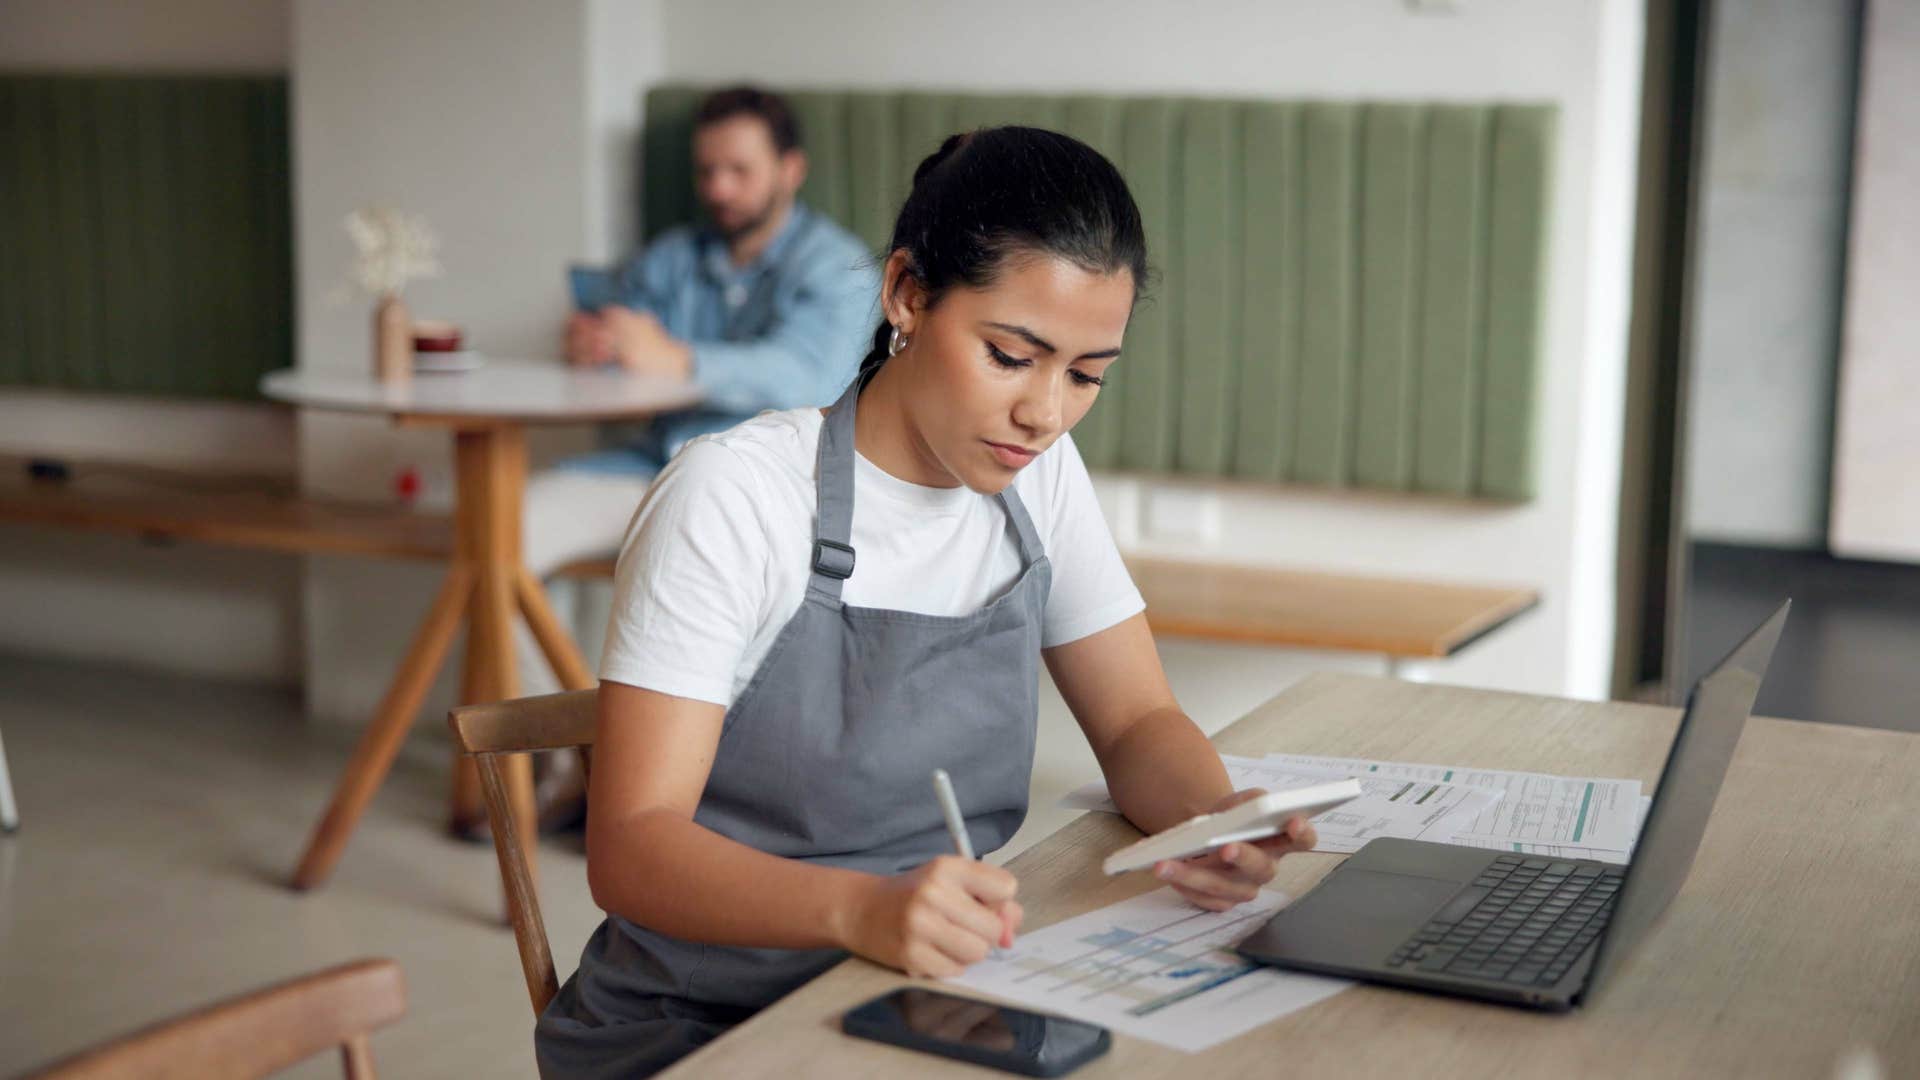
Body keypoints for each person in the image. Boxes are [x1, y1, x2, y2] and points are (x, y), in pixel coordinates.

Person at [534, 127, 1319, 1078]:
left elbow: (1139, 720)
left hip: (930, 994)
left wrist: (1210, 818)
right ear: (907, 292)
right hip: (703, 1024)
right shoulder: (735, 496)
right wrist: (862, 909)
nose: (1046, 413)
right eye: (1009, 355)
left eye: (1085, 376)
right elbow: (629, 848)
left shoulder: (1043, 474)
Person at [516, 85, 876, 745]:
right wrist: (593, 343)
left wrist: (675, 358)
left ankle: (655, 772)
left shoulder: (840, 266)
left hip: (769, 492)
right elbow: (613, 326)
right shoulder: (672, 256)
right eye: (707, 170)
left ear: (790, 170)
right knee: (500, 535)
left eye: (740, 170)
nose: (719, 188)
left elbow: (812, 377)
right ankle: (567, 757)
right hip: (651, 468)